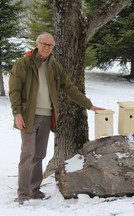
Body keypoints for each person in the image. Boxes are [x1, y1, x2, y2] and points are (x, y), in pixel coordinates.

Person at [9, 32, 105, 205]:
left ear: (53, 48)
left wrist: (88, 105)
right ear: (37, 44)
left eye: (50, 45)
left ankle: (35, 189)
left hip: (47, 117)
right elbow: (14, 91)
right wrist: (17, 114)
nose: (46, 47)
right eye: (44, 44)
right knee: (27, 154)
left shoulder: (54, 67)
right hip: (28, 116)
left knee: (39, 154)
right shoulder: (23, 64)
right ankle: (23, 194)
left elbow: (69, 88)